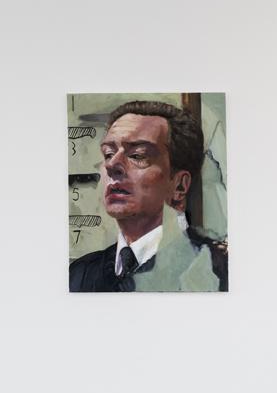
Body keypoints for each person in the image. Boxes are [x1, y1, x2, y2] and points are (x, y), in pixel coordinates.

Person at [69, 100, 227, 292]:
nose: (111, 165)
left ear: (179, 185)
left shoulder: (216, 270)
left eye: (137, 155)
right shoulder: (79, 274)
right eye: (108, 154)